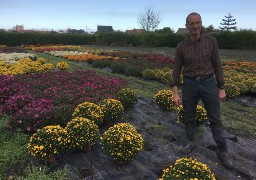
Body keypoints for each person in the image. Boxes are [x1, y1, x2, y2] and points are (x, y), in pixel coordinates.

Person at [172, 12, 233, 170]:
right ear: (186, 26)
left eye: (198, 23)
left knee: (215, 119)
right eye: (192, 23)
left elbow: (218, 65)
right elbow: (176, 69)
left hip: (208, 83)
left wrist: (221, 87)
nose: (195, 26)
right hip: (190, 85)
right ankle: (191, 142)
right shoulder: (181, 47)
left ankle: (223, 150)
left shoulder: (211, 42)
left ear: (201, 24)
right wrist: (175, 92)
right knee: (189, 116)